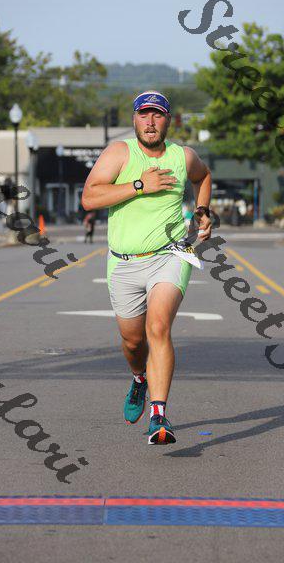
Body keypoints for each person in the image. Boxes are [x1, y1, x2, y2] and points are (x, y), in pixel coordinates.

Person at [82, 90, 212, 445]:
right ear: (135, 119)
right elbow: (89, 197)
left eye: (157, 115)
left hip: (171, 254)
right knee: (133, 341)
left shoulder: (182, 156)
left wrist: (202, 210)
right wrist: (140, 185)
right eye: (144, 115)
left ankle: (158, 415)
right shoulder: (119, 153)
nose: (150, 122)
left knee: (158, 327)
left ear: (168, 120)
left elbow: (203, 177)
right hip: (124, 263)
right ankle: (139, 377)